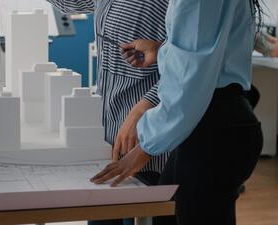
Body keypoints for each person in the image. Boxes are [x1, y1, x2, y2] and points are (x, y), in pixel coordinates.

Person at [91, 0, 264, 225]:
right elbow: (206, 48)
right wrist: (162, 50)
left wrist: (145, 146)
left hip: (212, 126)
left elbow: (189, 81)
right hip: (210, 122)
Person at [46, 1, 170, 225]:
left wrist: (144, 108)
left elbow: (185, 67)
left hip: (150, 144)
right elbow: (69, 4)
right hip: (110, 138)